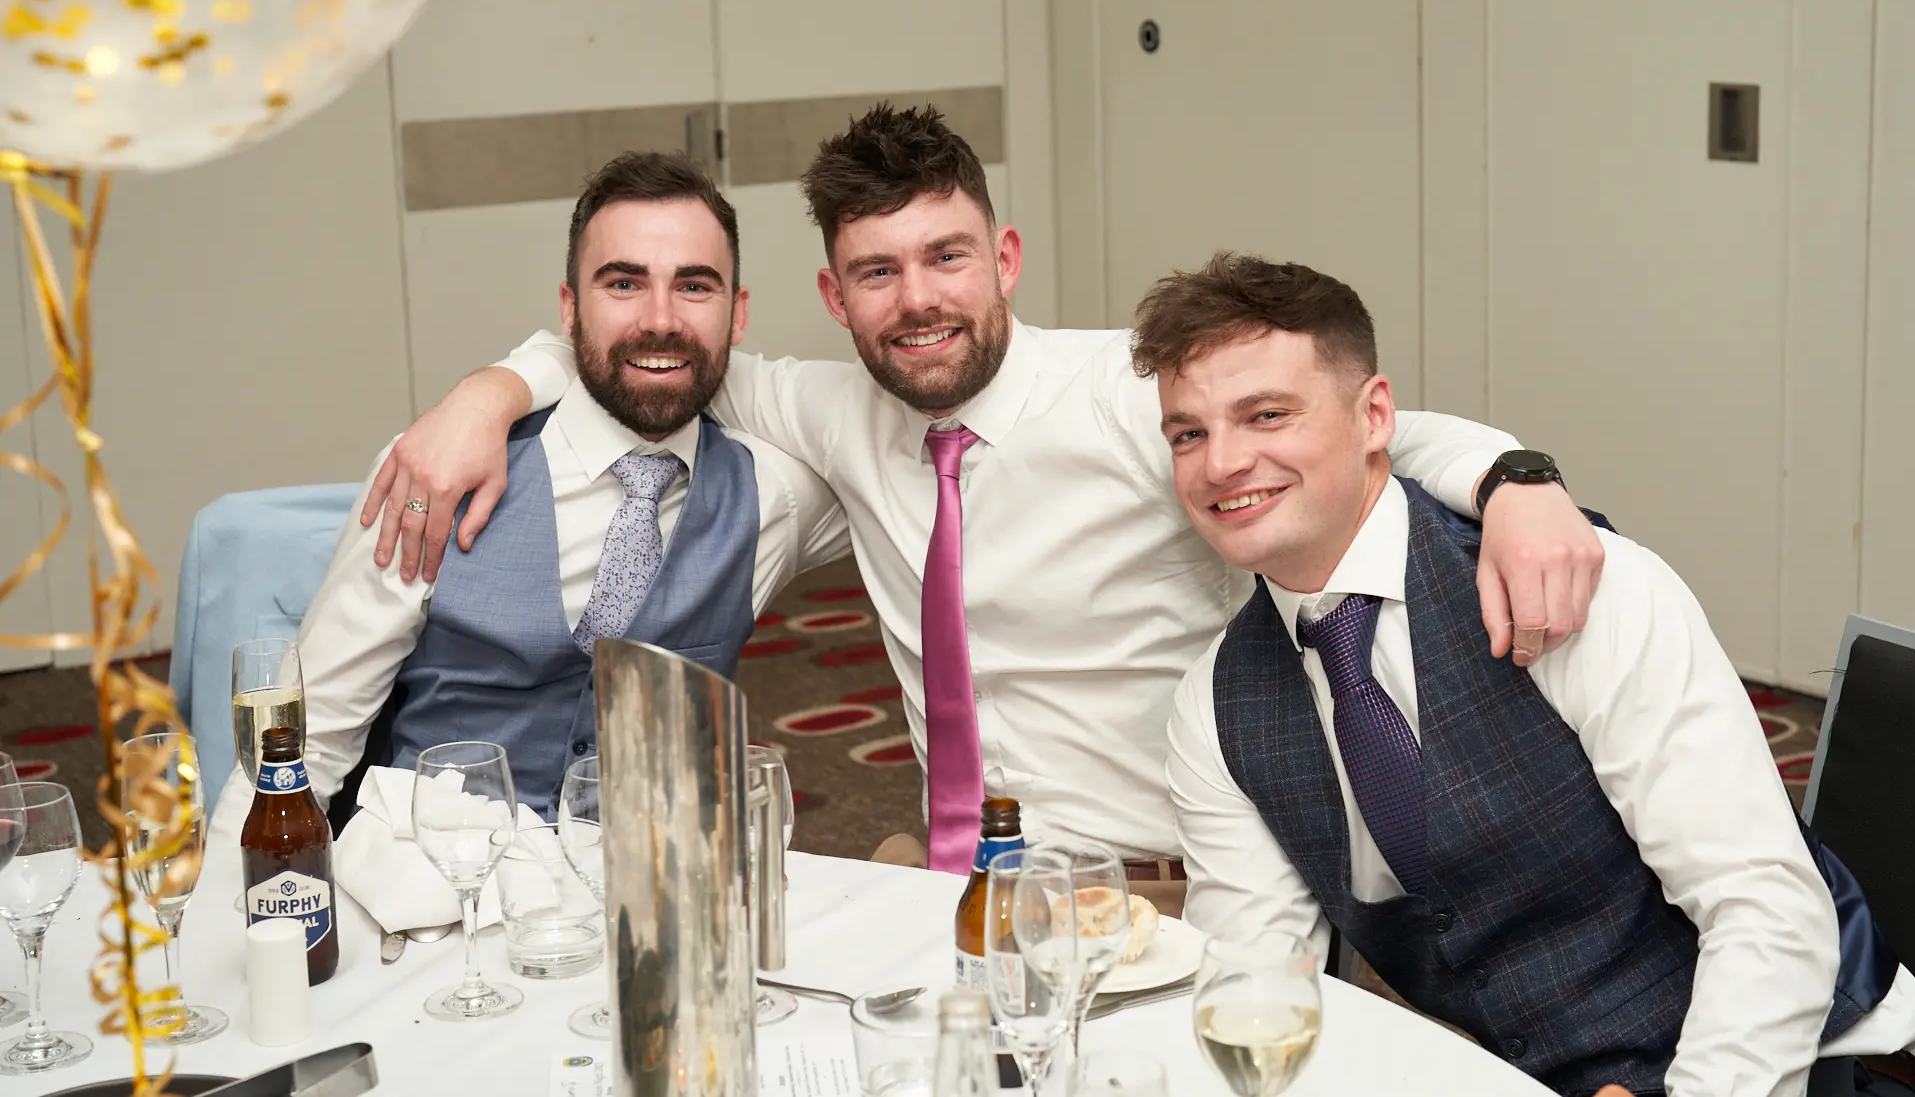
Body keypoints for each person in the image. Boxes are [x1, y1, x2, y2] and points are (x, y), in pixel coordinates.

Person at [355, 105, 1605, 898]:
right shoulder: (828, 409)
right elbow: (646, 343)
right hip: (961, 878)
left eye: (947, 258)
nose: (917, 301)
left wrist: (1513, 480)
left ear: (1002, 260)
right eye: (876, 274)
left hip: (1168, 883)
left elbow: (1341, 422)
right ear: (831, 298)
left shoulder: (1128, 393)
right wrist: (489, 386)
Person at [1142, 254, 1915, 1096]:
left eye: (1265, 414)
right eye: (1188, 432)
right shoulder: (1217, 709)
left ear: (1375, 414)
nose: (1221, 462)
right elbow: (1252, 987)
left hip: (1798, 1064)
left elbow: (1768, 910)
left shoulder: (1567, 590)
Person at [238, 153, 846, 822]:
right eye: (623, 284)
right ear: (568, 307)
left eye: (696, 286)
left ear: (739, 313)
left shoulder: (773, 493)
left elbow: (916, 450)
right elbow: (305, 744)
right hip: (442, 886)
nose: (661, 318)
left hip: (650, 889)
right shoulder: (440, 473)